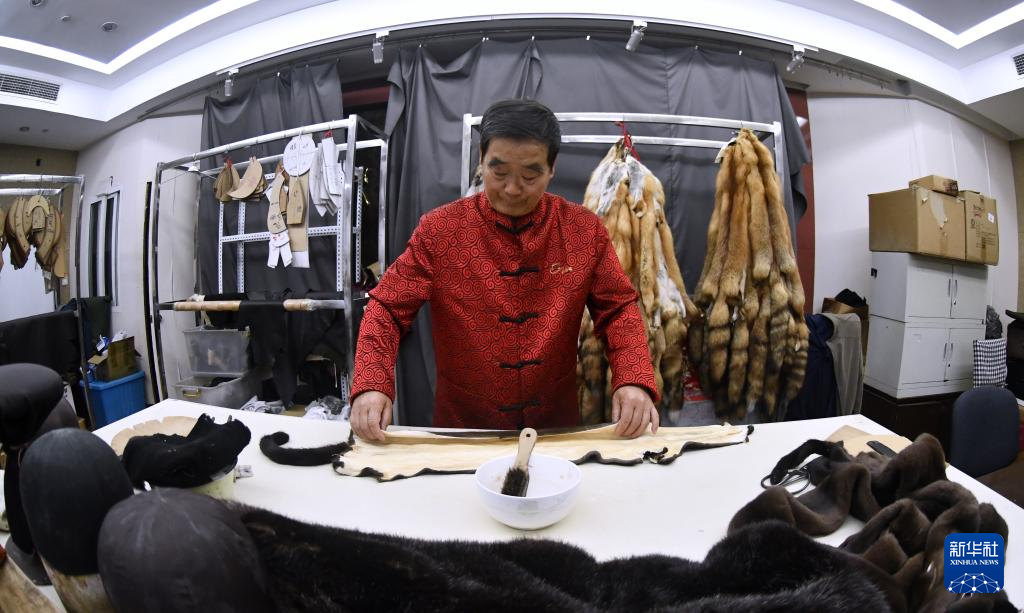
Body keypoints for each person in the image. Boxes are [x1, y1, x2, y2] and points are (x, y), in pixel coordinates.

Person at [350, 99, 659, 441]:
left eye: (529, 175)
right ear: (482, 158)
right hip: (463, 428)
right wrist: (372, 382)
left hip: (555, 428)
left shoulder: (582, 230)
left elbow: (618, 309)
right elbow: (387, 307)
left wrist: (633, 378)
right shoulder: (441, 230)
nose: (512, 189)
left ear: (552, 168)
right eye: (499, 173)